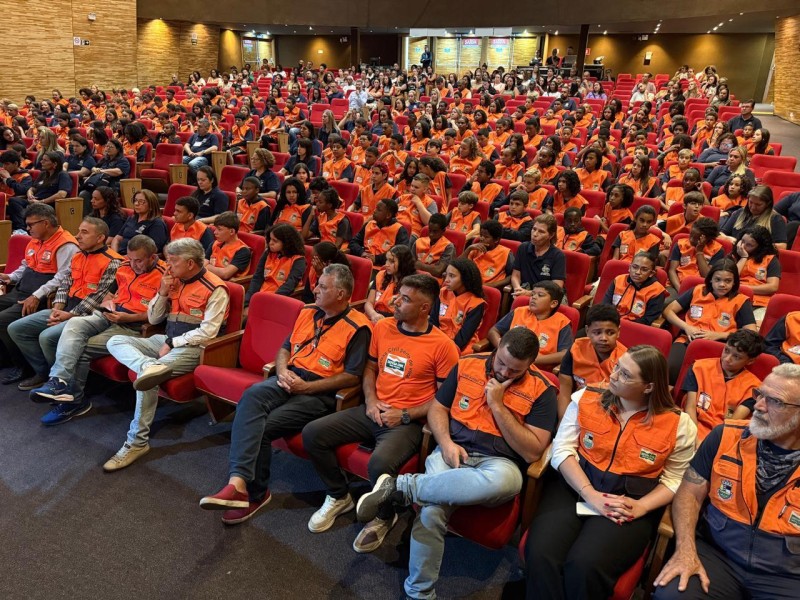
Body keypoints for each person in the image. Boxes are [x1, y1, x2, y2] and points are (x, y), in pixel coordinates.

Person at [357, 328, 557, 600]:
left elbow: (533, 452)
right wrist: (446, 443)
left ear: (530, 365)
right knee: (431, 512)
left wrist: (497, 405)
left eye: (514, 370)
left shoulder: (543, 390)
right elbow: (438, 408)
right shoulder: (467, 364)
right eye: (501, 362)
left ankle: (401, 487)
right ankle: (419, 593)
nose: (503, 372)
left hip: (499, 463)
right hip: (452, 450)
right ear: (497, 348)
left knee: (505, 482)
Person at [199, 264, 372, 524]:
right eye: (317, 284)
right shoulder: (308, 311)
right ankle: (237, 482)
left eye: (322, 287)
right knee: (252, 395)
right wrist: (281, 370)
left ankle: (256, 494)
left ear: (341, 294)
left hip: (319, 393)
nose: (315, 289)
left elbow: (352, 377)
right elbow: (285, 348)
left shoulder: (359, 327)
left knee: (264, 426)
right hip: (289, 377)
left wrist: (307, 387)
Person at [302, 274, 459, 553]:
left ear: (425, 308)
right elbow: (371, 368)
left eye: (405, 299)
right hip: (373, 410)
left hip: (407, 422)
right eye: (398, 294)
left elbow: (442, 400)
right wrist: (371, 400)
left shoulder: (443, 346)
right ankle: (339, 495)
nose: (395, 301)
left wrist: (405, 414)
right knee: (313, 433)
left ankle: (385, 516)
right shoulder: (383, 327)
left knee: (379, 465)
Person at [526, 345, 696, 600]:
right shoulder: (586, 397)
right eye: (617, 367)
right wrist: (590, 494)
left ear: (648, 387)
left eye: (625, 374)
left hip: (628, 502)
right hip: (576, 487)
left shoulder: (679, 425)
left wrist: (642, 507)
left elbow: (674, 480)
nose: (613, 376)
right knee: (541, 553)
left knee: (585, 565)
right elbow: (562, 449)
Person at [653, 364, 800, 600]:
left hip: (786, 575)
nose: (759, 406)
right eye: (759, 394)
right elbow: (689, 494)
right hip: (719, 556)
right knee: (672, 595)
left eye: (775, 401)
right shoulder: (725, 436)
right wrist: (685, 550)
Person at [104, 238, 230, 471]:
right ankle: (148, 365)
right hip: (166, 340)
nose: (167, 266)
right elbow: (153, 319)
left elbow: (209, 332)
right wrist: (162, 292)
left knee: (148, 379)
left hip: (196, 348)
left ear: (190, 263)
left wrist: (173, 342)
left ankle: (136, 443)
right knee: (115, 341)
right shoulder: (173, 280)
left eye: (172, 261)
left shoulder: (215, 288)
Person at [28, 235, 165, 425]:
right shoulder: (125, 265)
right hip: (107, 315)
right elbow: (109, 294)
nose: (134, 265)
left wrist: (128, 318)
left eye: (139, 260)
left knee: (81, 347)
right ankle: (58, 381)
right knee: (74, 324)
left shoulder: (164, 276)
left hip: (131, 325)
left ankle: (75, 402)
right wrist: (108, 303)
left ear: (153, 257)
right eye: (131, 259)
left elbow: (158, 316)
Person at [8, 217, 122, 390]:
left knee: (47, 337)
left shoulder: (113, 261)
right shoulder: (78, 255)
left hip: (86, 317)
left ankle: (64, 383)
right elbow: (65, 283)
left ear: (100, 238)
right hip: (64, 310)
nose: (78, 236)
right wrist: (57, 307)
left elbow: (99, 296)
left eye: (84, 232)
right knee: (17, 328)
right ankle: (44, 373)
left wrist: (70, 315)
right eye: (79, 231)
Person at [0, 204, 78, 385]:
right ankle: (6, 357)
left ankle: (25, 366)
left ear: (46, 223)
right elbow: (26, 265)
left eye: (31, 224)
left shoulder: (66, 245)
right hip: (21, 290)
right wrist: (10, 277)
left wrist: (36, 296)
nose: (27, 228)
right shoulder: (35, 240)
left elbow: (62, 279)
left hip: (41, 298)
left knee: (2, 320)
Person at [663, 258, 758, 383]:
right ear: (710, 279)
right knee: (667, 370)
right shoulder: (698, 290)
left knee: (704, 379)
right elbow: (668, 311)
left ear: (734, 282)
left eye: (728, 281)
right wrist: (686, 327)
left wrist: (718, 335)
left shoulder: (741, 301)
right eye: (717, 279)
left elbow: (751, 333)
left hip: (720, 346)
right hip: (687, 340)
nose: (722, 284)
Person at [682, 330, 764, 443]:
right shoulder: (698, 368)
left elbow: (732, 423)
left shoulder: (754, 387)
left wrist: (707, 446)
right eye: (726, 350)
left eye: (736, 356)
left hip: (723, 437)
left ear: (750, 361)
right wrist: (694, 439)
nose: (727, 358)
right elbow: (690, 407)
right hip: (692, 427)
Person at [557, 304, 627, 418]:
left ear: (618, 332)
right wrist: (563, 420)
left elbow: (626, 401)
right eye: (597, 332)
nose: (603, 338)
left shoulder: (626, 360)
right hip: (576, 407)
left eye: (610, 333)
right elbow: (565, 391)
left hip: (609, 413)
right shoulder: (576, 349)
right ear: (587, 331)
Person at [488, 280, 573, 370]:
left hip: (538, 369)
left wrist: (533, 360)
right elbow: (493, 331)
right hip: (506, 362)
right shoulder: (519, 312)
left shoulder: (562, 322)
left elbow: (565, 353)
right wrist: (502, 348)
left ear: (553, 303)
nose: (534, 297)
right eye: (532, 294)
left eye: (540, 295)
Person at [431, 258, 486, 354]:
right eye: (446, 275)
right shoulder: (443, 292)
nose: (446, 280)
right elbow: (433, 321)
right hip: (437, 341)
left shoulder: (476, 303)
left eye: (451, 276)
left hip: (460, 347)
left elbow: (463, 337)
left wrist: (443, 350)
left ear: (465, 279)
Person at [8, 150, 72, 232]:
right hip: (35, 201)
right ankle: (22, 229)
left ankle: (23, 229)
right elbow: (32, 188)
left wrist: (42, 201)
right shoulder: (43, 174)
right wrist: (30, 194)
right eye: (42, 159)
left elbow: (62, 194)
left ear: (55, 164)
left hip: (48, 204)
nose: (41, 162)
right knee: (13, 200)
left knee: (27, 209)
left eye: (45, 160)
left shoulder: (62, 175)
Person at [601, 251, 666, 326]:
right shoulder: (618, 280)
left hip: (634, 327)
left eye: (644, 270)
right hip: (610, 322)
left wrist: (624, 325)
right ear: (629, 268)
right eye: (635, 267)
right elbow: (605, 305)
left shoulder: (657, 291)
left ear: (651, 273)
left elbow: (647, 319)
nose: (638, 272)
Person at [246, 224, 307, 302]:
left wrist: (272, 300)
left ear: (286, 243)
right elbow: (257, 278)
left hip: (278, 299)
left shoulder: (298, 260)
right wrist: (248, 301)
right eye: (270, 239)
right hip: (260, 295)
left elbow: (290, 284)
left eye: (275, 241)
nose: (270, 243)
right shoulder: (268, 253)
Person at [511, 214, 566, 296]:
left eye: (541, 232)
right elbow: (515, 275)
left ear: (551, 235)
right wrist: (517, 289)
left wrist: (528, 293)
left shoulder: (558, 256)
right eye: (534, 229)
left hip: (547, 297)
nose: (535, 234)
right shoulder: (523, 247)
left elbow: (556, 288)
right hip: (523, 291)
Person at [719, 185, 787, 250]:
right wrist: (728, 239)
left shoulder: (775, 219)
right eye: (751, 202)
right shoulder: (739, 212)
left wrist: (756, 246)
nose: (753, 207)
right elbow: (720, 234)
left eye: (758, 204)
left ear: (768, 204)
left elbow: (782, 247)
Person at [349, 198, 410, 267]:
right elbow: (353, 242)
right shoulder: (369, 224)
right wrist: (362, 253)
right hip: (364, 261)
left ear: (388, 215)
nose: (374, 211)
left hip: (384, 267)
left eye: (379, 210)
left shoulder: (400, 230)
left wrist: (376, 259)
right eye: (376, 208)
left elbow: (400, 254)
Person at [365, 245, 416, 323]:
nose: (387, 264)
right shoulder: (381, 275)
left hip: (393, 321)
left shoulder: (411, 284)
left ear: (403, 263)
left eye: (392, 261)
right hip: (373, 316)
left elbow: (407, 315)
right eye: (387, 260)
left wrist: (382, 321)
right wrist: (373, 314)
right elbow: (369, 303)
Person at [111, 189, 169, 255]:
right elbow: (117, 238)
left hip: (135, 258)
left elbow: (153, 249)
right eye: (135, 200)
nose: (136, 204)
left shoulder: (157, 223)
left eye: (141, 202)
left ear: (151, 206)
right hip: (119, 255)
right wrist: (114, 255)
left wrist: (129, 257)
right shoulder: (132, 218)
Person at [463, 220, 514, 288]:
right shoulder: (475, 248)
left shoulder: (506, 253)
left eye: (486, 237)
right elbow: (459, 266)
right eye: (481, 235)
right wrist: (468, 249)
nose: (481, 239)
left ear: (496, 240)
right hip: (469, 285)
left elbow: (512, 276)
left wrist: (493, 285)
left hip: (488, 288)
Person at [413, 213, 455, 282]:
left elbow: (438, 271)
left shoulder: (448, 247)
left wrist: (420, 266)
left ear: (443, 231)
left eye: (435, 231)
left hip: (433, 281)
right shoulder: (418, 242)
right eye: (430, 230)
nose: (431, 234)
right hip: (414, 277)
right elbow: (411, 264)